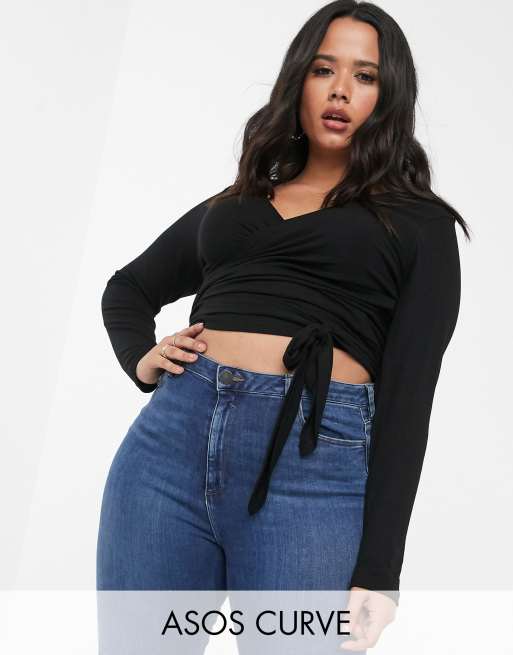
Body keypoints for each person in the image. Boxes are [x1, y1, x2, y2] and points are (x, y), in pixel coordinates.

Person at [97, 1, 470, 651]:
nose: (339, 90)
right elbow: (127, 289)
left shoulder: (419, 224)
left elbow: (409, 403)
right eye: (323, 69)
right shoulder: (239, 202)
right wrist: (141, 357)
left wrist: (380, 572)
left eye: (364, 75)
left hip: (311, 471)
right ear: (298, 79)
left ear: (388, 95)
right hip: (167, 453)